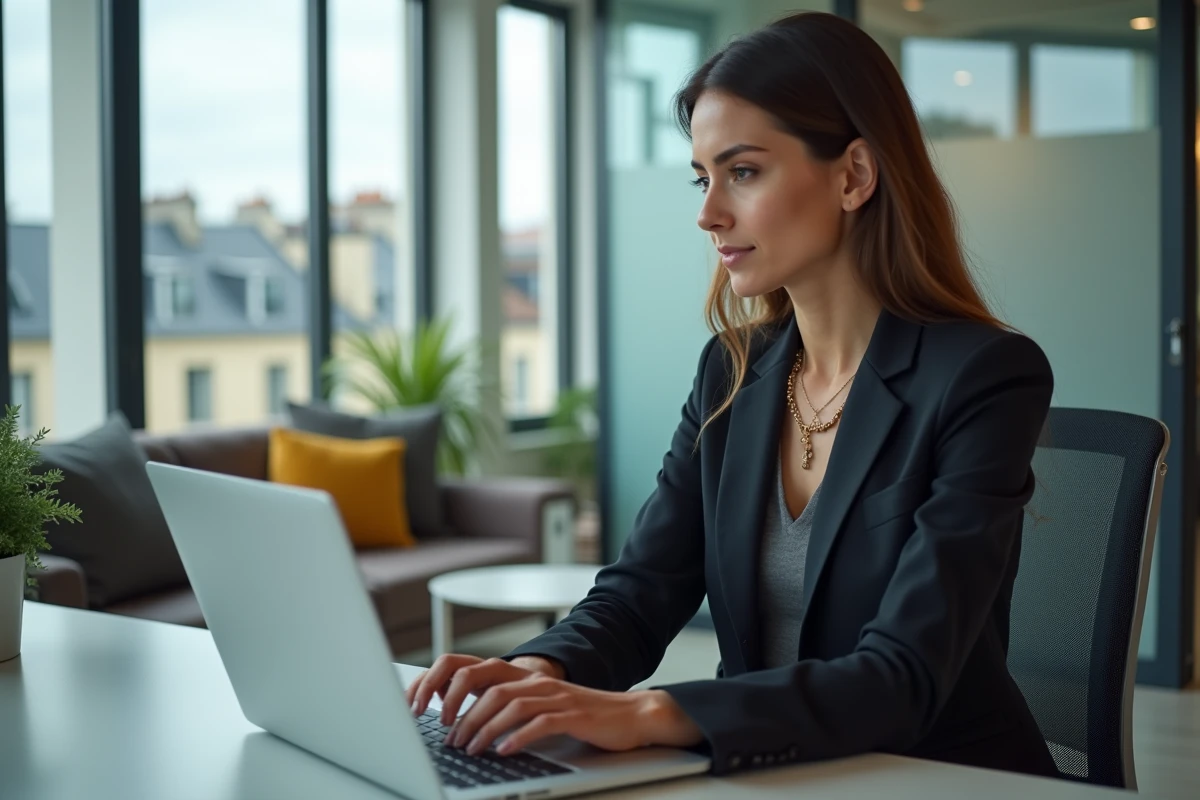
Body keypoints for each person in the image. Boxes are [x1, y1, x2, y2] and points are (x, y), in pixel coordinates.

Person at [407, 11, 1059, 780]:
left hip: (931, 778)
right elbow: (641, 593)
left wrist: (652, 712)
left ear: (854, 174)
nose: (708, 212)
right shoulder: (733, 370)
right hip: (763, 773)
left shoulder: (986, 376)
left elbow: (903, 675)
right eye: (703, 176)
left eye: (742, 172)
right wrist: (542, 673)